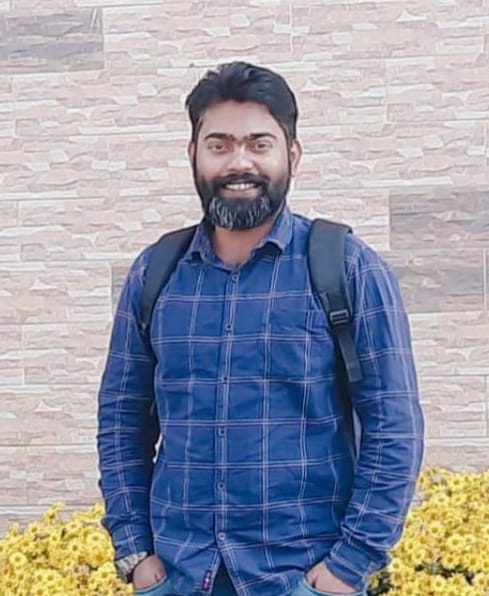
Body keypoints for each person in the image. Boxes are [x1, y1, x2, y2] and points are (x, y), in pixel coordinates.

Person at [97, 61, 424, 596]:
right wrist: (135, 552)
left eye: (259, 144)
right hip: (179, 576)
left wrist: (349, 566)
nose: (239, 162)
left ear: (291, 154)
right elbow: (121, 420)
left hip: (304, 578)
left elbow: (394, 426)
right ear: (194, 154)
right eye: (220, 145)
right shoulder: (156, 272)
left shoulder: (346, 267)